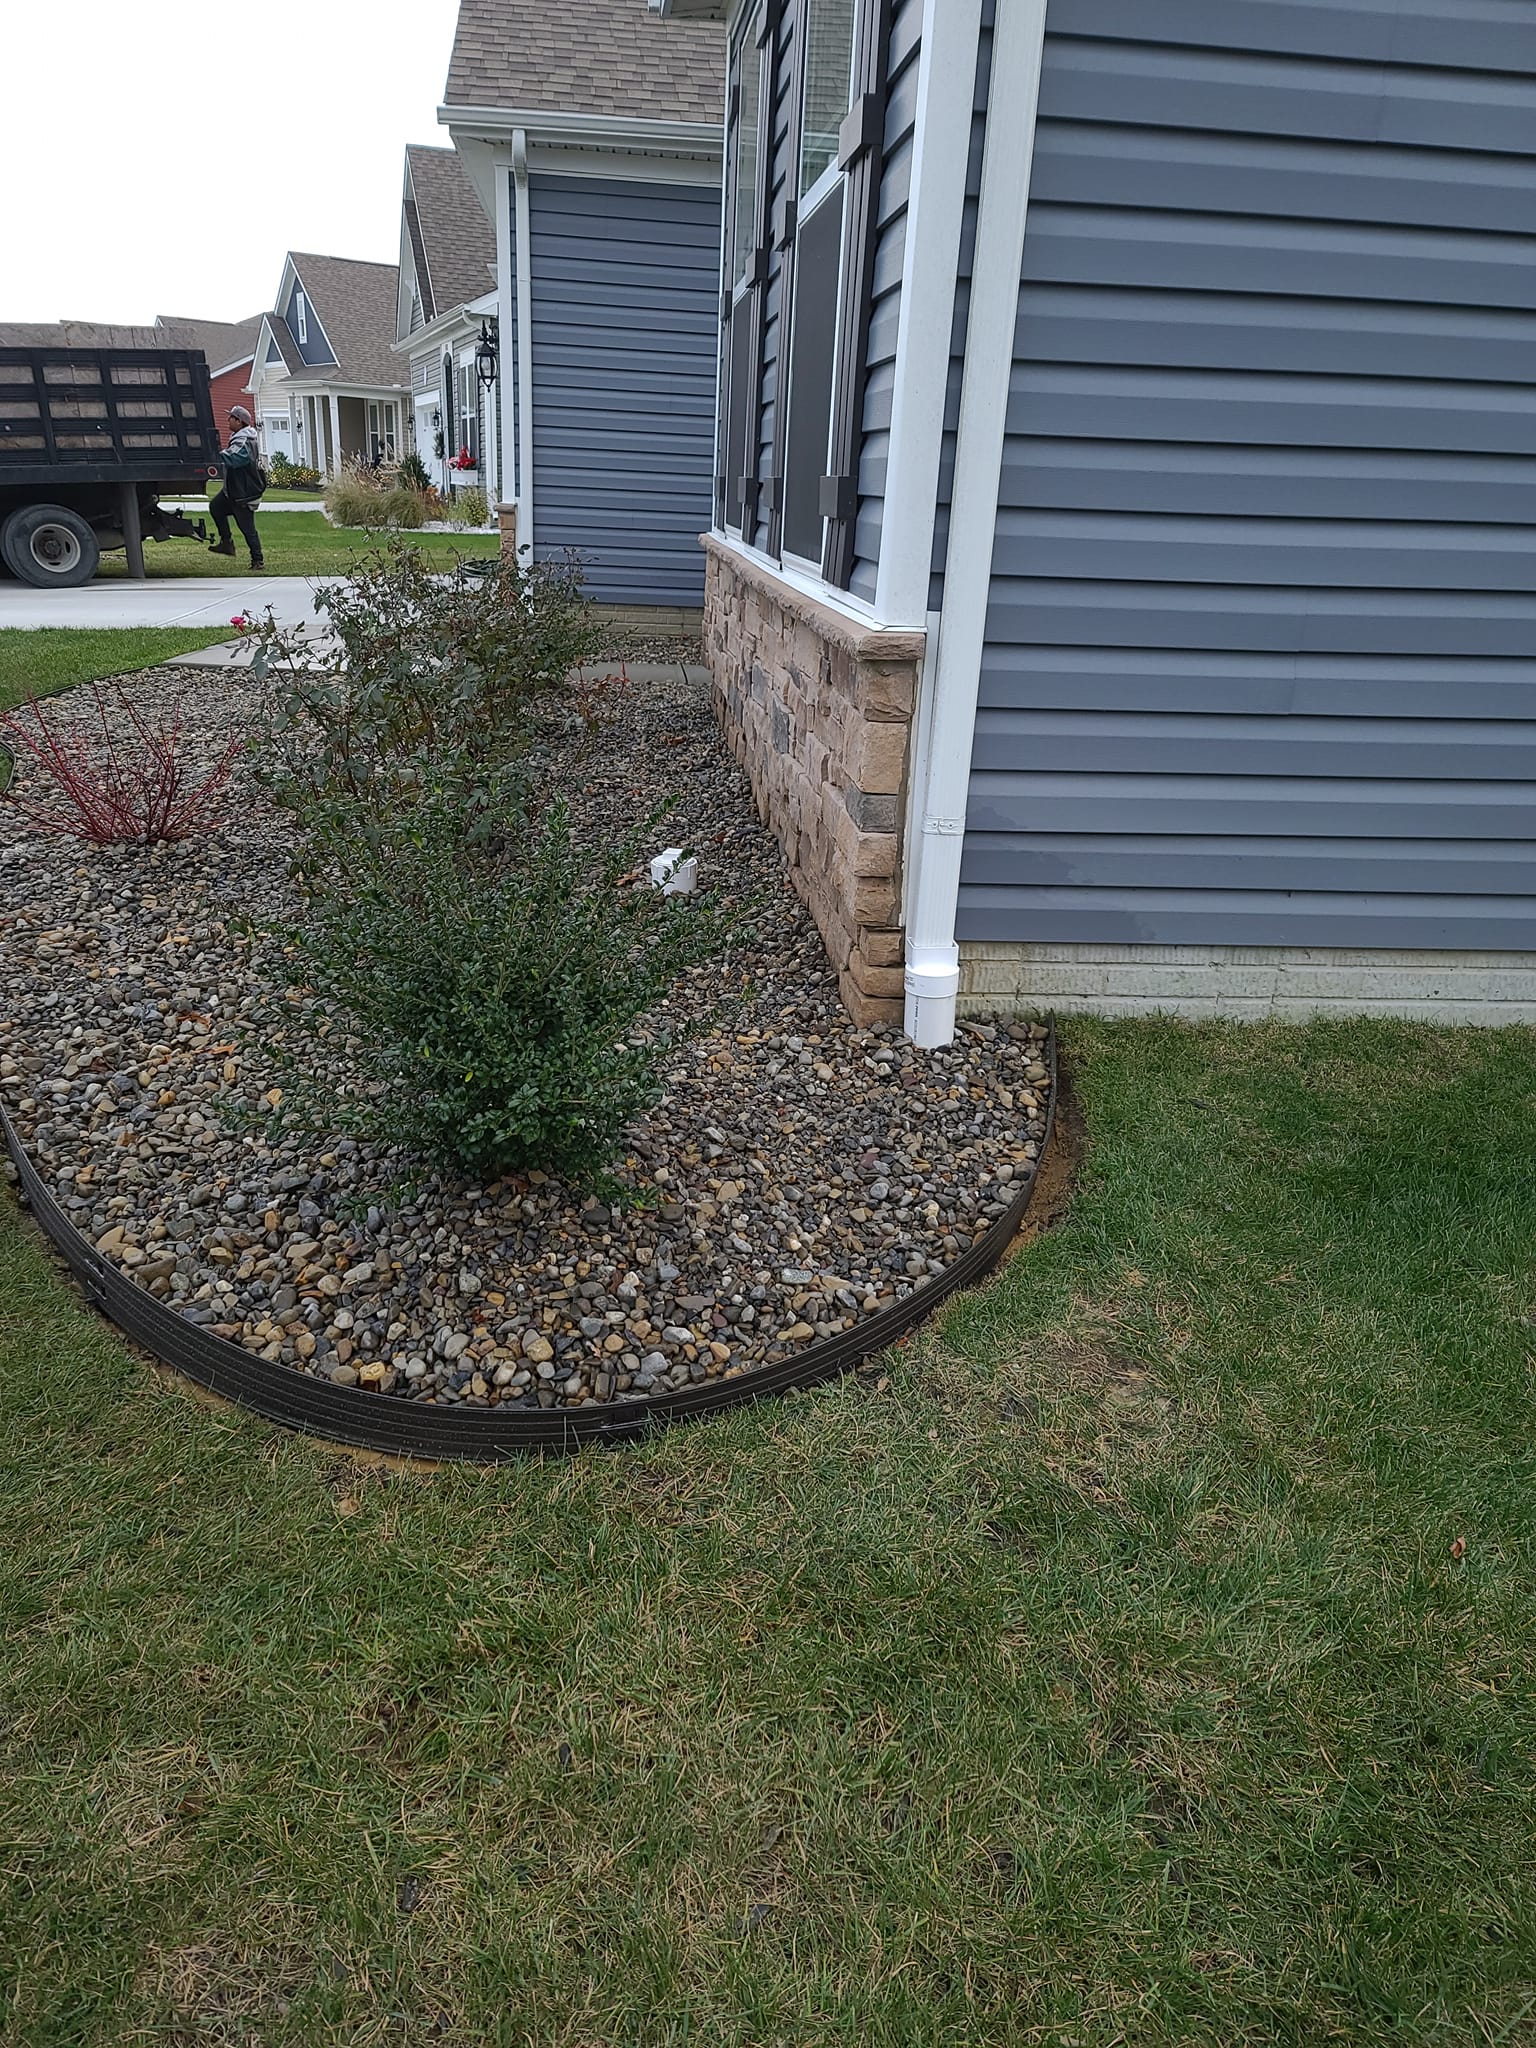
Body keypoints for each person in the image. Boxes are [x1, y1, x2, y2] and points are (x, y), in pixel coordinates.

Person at [208, 405, 266, 569]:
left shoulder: (245, 440)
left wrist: (215, 454)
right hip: (234, 491)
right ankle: (226, 543)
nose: (228, 420)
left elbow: (235, 459)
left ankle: (258, 560)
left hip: (243, 492)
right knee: (216, 507)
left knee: (247, 528)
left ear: (239, 422)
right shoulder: (241, 437)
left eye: (231, 417)